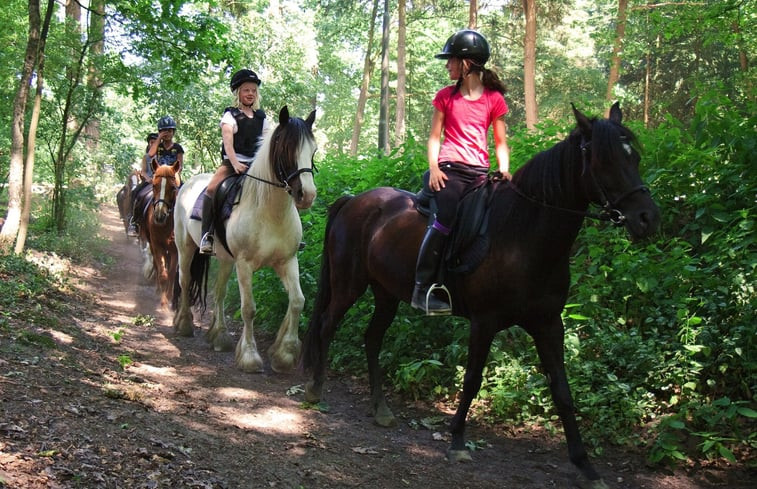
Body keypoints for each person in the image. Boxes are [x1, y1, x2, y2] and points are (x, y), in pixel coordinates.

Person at [411, 29, 511, 315]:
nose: (447, 66)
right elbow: (434, 137)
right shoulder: (445, 96)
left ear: (466, 63)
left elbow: (501, 141)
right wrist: (433, 168)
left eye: (451, 60)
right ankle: (423, 287)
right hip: (450, 169)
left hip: (480, 172)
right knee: (447, 215)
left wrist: (504, 169)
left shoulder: (494, 99)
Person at [199, 69, 270, 255]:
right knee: (212, 189)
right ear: (238, 92)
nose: (250, 94)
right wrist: (236, 164)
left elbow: (265, 145)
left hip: (255, 166)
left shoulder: (262, 118)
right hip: (232, 164)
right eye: (246, 90)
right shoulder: (230, 116)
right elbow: (228, 144)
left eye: (254, 90)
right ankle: (207, 234)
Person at [127, 117, 184, 237]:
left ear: (174, 132)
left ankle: (183, 226)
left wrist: (176, 179)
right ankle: (134, 221)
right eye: (164, 131)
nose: (167, 133)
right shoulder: (158, 146)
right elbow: (150, 154)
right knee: (137, 192)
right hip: (157, 178)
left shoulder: (177, 148)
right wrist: (159, 138)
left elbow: (180, 166)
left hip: (172, 178)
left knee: (185, 197)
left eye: (170, 130)